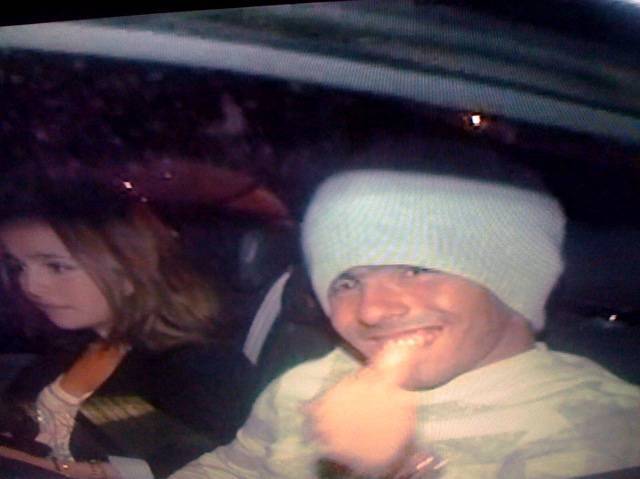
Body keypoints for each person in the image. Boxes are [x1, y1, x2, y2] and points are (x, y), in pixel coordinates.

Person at [171, 158, 640, 478]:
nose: (372, 309)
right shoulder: (308, 384)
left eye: (417, 269)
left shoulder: (602, 428)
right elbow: (233, 469)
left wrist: (395, 467)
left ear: (511, 280)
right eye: (348, 281)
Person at [0, 172, 255, 478]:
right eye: (18, 266)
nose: (30, 285)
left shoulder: (201, 367)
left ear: (131, 267)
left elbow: (216, 468)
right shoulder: (82, 342)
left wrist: (48, 467)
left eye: (57, 266)